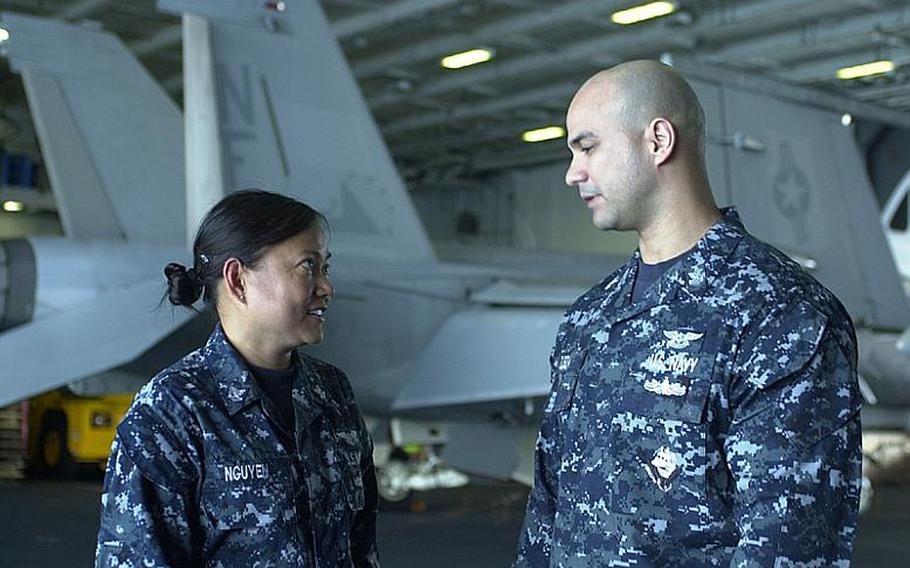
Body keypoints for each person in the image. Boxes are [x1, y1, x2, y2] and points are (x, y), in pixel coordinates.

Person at [514, 60, 862, 566]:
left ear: (658, 141)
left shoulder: (779, 314)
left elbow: (786, 548)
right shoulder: (588, 321)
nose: (573, 173)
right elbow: (546, 516)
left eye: (587, 147)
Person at [95, 190, 380, 567]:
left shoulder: (333, 393)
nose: (326, 287)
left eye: (325, 268)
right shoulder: (172, 412)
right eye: (307, 266)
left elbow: (361, 548)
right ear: (238, 280)